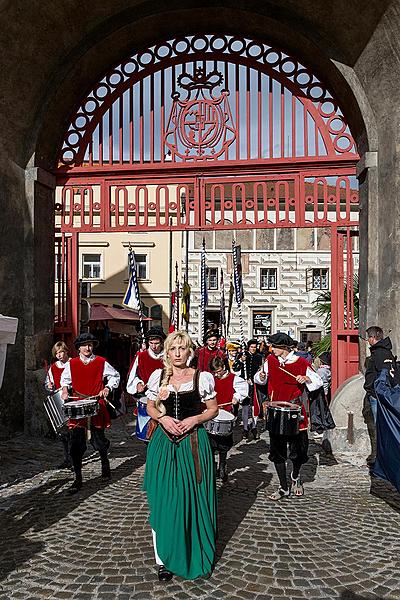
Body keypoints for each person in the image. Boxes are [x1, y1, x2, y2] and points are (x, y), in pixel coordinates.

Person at [143, 331, 218, 581]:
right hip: (163, 445)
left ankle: (191, 550)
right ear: (167, 351)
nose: (177, 353)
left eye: (182, 349)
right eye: (172, 349)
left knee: (191, 498)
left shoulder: (201, 378)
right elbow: (149, 406)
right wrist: (162, 418)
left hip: (193, 445)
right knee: (163, 498)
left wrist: (194, 419)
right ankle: (162, 559)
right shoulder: (158, 377)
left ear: (189, 352)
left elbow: (213, 409)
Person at [254, 333, 323, 499]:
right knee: (277, 451)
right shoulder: (270, 361)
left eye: (274, 346)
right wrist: (261, 377)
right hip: (275, 411)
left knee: (298, 452)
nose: (272, 349)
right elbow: (259, 379)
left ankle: (295, 476)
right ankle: (283, 487)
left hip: (295, 411)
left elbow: (318, 381)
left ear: (284, 348)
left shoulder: (301, 362)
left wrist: (306, 378)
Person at [60, 332, 120, 494]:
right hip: (78, 405)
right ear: (78, 348)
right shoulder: (71, 364)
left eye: (90, 345)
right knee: (76, 445)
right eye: (84, 345)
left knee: (98, 441)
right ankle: (78, 478)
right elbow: (64, 381)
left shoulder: (101, 362)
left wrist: (107, 388)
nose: (88, 348)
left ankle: (105, 463)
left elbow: (115, 376)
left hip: (95, 405)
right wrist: (65, 391)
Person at [209, 356, 248, 482]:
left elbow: (243, 390)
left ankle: (222, 465)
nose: (216, 374)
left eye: (218, 371)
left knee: (223, 443)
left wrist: (236, 397)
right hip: (213, 412)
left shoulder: (234, 379)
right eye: (214, 372)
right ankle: (212, 466)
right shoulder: (211, 379)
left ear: (224, 367)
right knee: (211, 442)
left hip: (226, 414)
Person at [363, 326, 396, 468]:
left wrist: (373, 390)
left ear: (372, 338)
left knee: (379, 427)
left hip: (378, 396)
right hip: (380, 395)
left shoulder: (379, 354)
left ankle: (380, 458)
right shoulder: (386, 352)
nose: (367, 342)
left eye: (368, 339)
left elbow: (382, 376)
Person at [126, 326, 166, 441]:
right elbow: (132, 375)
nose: (153, 346)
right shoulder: (141, 356)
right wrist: (138, 383)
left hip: (165, 396)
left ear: (161, 342)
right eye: (151, 343)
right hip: (147, 397)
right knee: (148, 434)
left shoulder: (168, 356)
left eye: (156, 343)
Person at [44, 341, 72, 469]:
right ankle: (67, 458)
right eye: (56, 353)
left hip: (72, 399)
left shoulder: (74, 363)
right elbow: (48, 384)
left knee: (73, 431)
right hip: (59, 401)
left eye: (61, 352)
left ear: (66, 351)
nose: (59, 355)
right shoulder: (53, 367)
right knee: (63, 433)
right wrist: (49, 386)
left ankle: (74, 459)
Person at [232, 339, 263, 440]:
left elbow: (260, 370)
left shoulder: (259, 357)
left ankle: (254, 427)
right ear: (248, 347)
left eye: (255, 347)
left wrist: (257, 377)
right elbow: (235, 368)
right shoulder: (243, 355)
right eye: (252, 347)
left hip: (255, 385)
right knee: (245, 407)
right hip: (244, 385)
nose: (253, 349)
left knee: (254, 406)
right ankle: (245, 428)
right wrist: (241, 361)